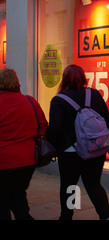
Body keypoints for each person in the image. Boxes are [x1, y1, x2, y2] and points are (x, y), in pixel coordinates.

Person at [46, 64, 109, 220]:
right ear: (83, 78)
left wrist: (54, 148)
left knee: (70, 186)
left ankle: (68, 215)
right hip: (95, 149)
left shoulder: (59, 100)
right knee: (94, 184)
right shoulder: (95, 95)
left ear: (64, 79)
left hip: (71, 152)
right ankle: (106, 216)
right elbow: (107, 120)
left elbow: (55, 128)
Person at [0, 68, 48, 220]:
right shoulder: (30, 101)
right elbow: (43, 126)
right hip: (27, 161)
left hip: (3, 162)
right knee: (18, 195)